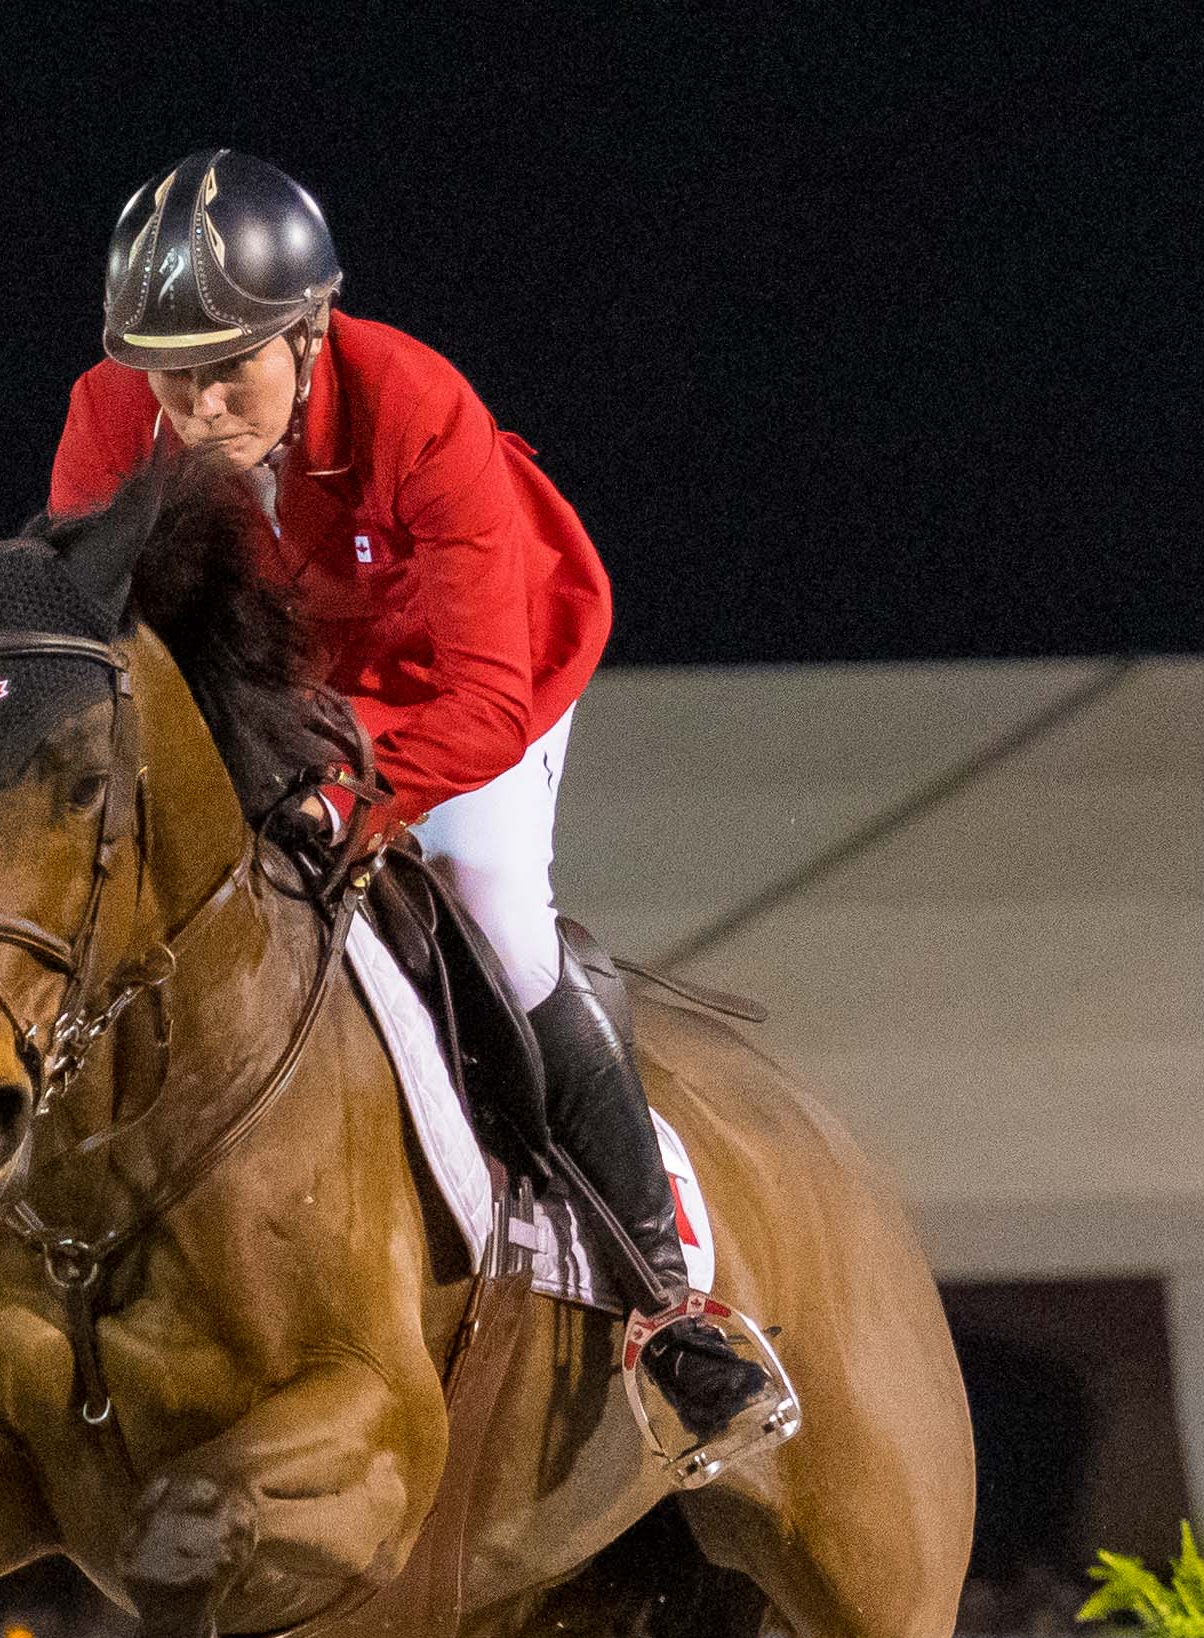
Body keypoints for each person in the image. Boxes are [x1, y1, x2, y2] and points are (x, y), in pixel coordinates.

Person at [50, 152, 776, 1454]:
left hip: (470, 689)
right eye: (177, 373)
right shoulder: (111, 417)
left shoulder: (417, 408)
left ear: (309, 329)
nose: (204, 403)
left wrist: (345, 797)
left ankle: (670, 1304)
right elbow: (97, 640)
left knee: (494, 911)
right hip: (271, 704)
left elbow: (485, 695)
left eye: (234, 366)